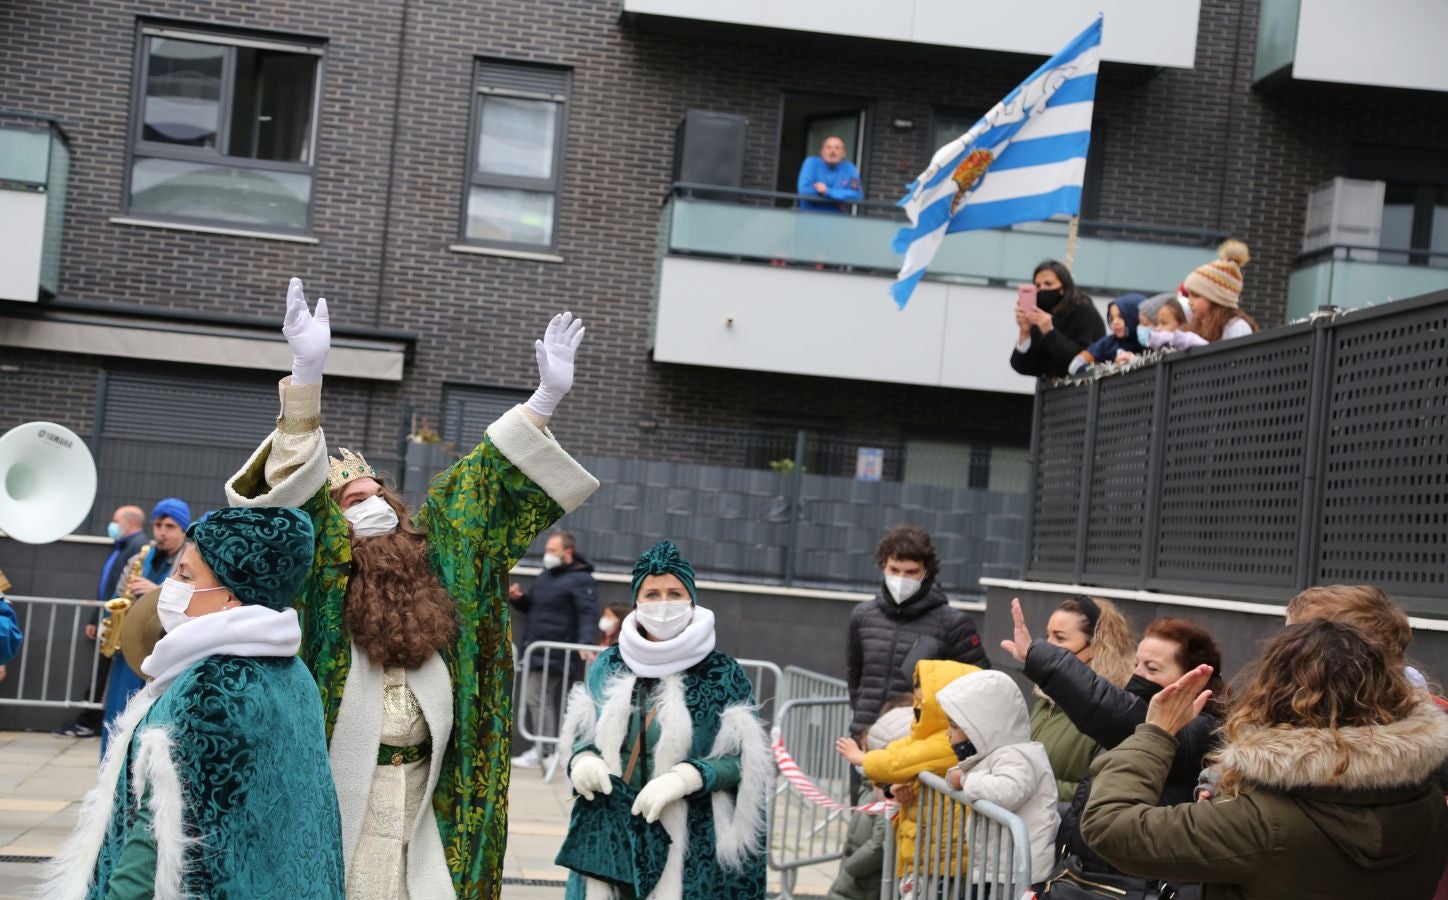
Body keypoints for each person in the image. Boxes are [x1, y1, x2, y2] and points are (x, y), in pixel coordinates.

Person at [224, 278, 599, 899]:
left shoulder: (440, 563)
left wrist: (542, 401)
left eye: (376, 498)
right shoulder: (322, 576)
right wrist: (306, 375)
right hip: (347, 790)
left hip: (432, 788)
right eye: (350, 503)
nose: (369, 509)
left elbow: (481, 485)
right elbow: (290, 509)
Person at [42, 506, 344, 899]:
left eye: (185, 575)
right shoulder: (291, 671)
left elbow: (152, 839)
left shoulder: (209, 687)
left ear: (232, 597)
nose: (170, 585)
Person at [1082, 620, 1448, 899]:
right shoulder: (1428, 799)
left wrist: (1156, 733)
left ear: (1275, 695)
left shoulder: (1262, 823)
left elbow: (1109, 826)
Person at [559, 541, 770, 899]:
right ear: (637, 601)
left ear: (691, 600)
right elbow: (584, 734)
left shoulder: (720, 673)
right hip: (611, 831)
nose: (663, 604)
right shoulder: (609, 664)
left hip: (688, 841)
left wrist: (686, 778)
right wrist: (582, 760)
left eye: (674, 593)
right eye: (652, 594)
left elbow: (744, 761)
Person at [1001, 600, 1223, 885]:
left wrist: (1039, 656)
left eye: (1153, 669)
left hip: (1128, 884)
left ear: (1195, 679)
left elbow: (1119, 713)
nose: (1139, 675)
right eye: (1137, 664)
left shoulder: (1196, 729)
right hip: (1090, 875)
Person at [835, 660, 980, 888]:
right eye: (917, 700)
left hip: (941, 854)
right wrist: (895, 786)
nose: (918, 707)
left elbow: (900, 762)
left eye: (925, 702)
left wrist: (863, 758)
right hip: (928, 847)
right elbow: (901, 749)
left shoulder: (944, 741)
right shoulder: (928, 733)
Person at [846, 525, 990, 745]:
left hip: (915, 748)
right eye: (894, 570)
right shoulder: (862, 616)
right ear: (883, 566)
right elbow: (855, 678)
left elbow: (981, 686)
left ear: (926, 572)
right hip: (864, 741)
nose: (901, 578)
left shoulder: (954, 624)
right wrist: (862, 723)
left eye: (911, 572)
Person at [936, 669, 1060, 889]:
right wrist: (958, 777)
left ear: (981, 727)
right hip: (998, 869)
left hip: (1017, 874)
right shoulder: (993, 753)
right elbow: (962, 774)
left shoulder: (1015, 754)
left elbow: (1008, 791)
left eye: (954, 726)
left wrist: (965, 781)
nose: (948, 733)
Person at [98, 497, 190, 759]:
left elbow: (193, 599)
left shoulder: (190, 560)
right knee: (118, 712)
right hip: (130, 646)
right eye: (158, 525)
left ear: (183, 530)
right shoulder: (141, 557)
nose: (162, 532)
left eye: (170, 526)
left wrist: (156, 591)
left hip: (162, 649)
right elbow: (119, 595)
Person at [1026, 596, 1135, 804]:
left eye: (1059, 638)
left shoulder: (1113, 712)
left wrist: (1025, 786)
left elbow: (1097, 791)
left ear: (1095, 647)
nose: (1047, 646)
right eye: (1047, 636)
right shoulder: (1046, 697)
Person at [54, 505, 148, 739]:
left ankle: (90, 721)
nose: (112, 524)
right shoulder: (124, 547)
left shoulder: (137, 548)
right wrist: (96, 618)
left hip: (118, 623)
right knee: (100, 672)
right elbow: (107, 587)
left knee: (104, 675)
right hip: (108, 619)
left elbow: (121, 587)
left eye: (116, 520)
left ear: (130, 523)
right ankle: (90, 718)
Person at [510, 530, 599, 768]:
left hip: (555, 650)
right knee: (539, 698)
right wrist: (519, 599)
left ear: (567, 552)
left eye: (552, 550)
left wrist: (586, 642)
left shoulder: (581, 579)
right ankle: (544, 750)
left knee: (536, 697)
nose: (547, 554)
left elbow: (587, 613)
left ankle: (546, 751)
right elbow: (536, 608)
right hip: (537, 648)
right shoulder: (546, 576)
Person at [826, 700, 913, 900]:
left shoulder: (884, 792)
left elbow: (880, 843)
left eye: (866, 752)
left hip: (865, 880)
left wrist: (852, 866)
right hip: (855, 874)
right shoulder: (870, 786)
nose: (862, 758)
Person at [1009, 260, 1106, 379]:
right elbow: (1024, 367)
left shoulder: (1083, 310)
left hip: (1084, 391)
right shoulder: (1040, 314)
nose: (1042, 289)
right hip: (1050, 394)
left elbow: (1082, 359)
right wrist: (1024, 332)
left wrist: (1049, 332)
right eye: (1038, 286)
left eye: (1048, 284)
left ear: (1063, 288)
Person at [1183, 240, 1259, 343]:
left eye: (1196, 296)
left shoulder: (1237, 328)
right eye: (1189, 295)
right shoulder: (1200, 324)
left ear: (1216, 298)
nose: (1189, 301)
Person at [1067, 293, 1147, 374]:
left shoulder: (1150, 340)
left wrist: (1135, 362)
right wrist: (1110, 368)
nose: (1115, 322)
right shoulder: (1108, 343)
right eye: (1112, 318)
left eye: (1121, 316)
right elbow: (1074, 366)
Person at [797, 135, 863, 213]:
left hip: (837, 221)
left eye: (837, 148)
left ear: (844, 153)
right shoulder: (811, 163)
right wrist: (840, 199)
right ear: (821, 152)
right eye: (828, 147)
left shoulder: (850, 168)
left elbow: (857, 196)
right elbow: (804, 190)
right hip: (810, 218)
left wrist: (827, 191)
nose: (832, 151)